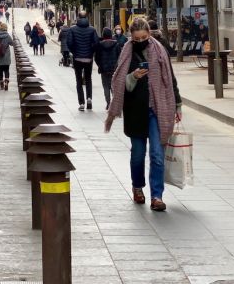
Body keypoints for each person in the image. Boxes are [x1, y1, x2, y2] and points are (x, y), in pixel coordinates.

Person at [104, 19, 182, 212]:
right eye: (136, 38)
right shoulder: (125, 51)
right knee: (138, 155)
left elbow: (170, 78)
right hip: (135, 110)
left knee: (157, 153)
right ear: (131, 37)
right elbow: (118, 82)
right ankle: (137, 187)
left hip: (158, 109)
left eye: (144, 37)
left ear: (149, 34)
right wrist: (133, 76)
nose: (140, 41)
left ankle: (157, 195)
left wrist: (178, 105)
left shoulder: (160, 50)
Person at [67, 11, 100, 111]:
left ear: (78, 17)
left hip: (77, 58)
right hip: (88, 58)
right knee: (88, 79)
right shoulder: (92, 29)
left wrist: (74, 52)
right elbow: (96, 43)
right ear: (87, 17)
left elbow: (69, 43)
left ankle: (81, 103)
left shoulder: (72, 29)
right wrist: (91, 52)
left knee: (79, 81)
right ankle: (89, 98)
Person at [95, 28, 121, 110]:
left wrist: (100, 65)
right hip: (114, 69)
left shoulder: (99, 45)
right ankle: (114, 103)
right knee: (114, 86)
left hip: (104, 69)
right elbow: (120, 56)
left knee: (106, 86)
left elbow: (96, 57)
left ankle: (108, 103)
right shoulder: (116, 44)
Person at [0, 22, 14, 91]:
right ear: (5, 28)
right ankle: (6, 81)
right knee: (6, 69)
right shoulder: (7, 35)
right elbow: (12, 43)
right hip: (6, 54)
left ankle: (1, 84)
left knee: (0, 69)